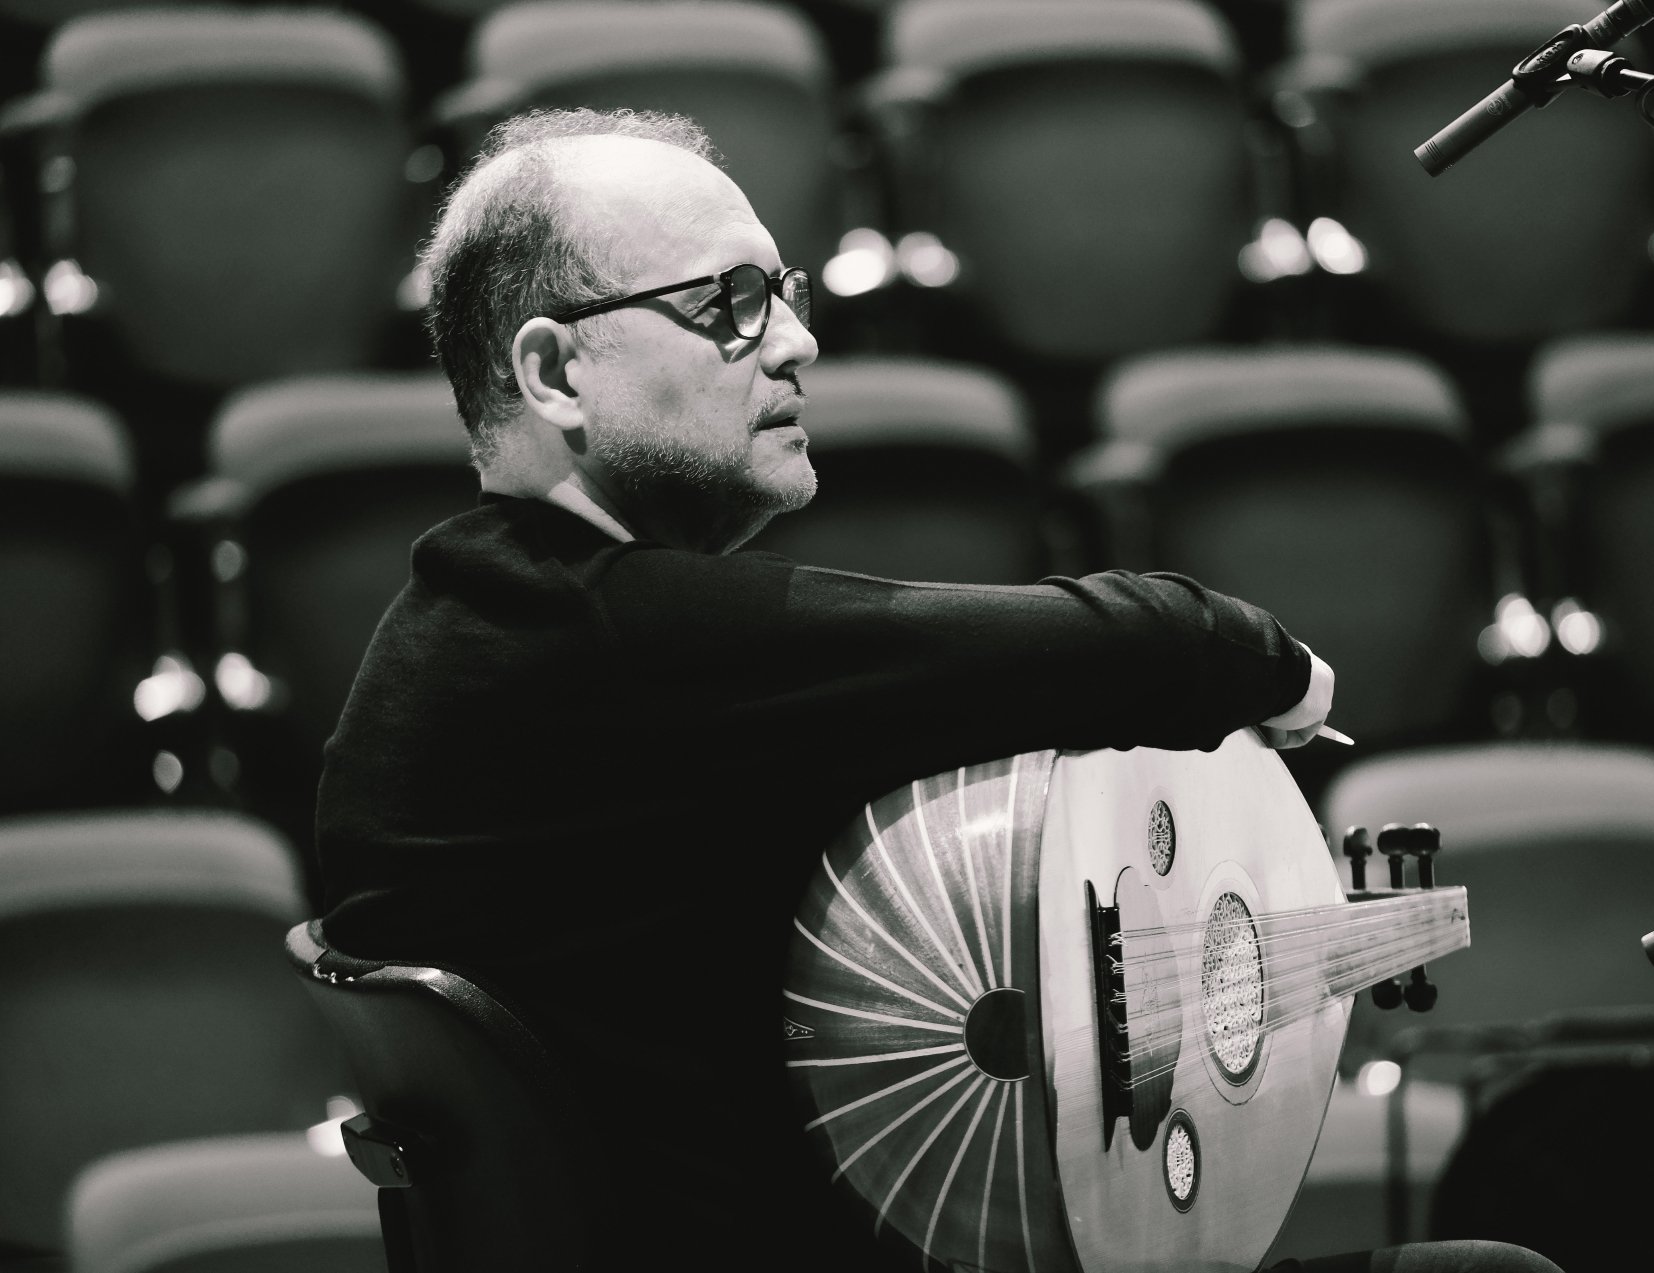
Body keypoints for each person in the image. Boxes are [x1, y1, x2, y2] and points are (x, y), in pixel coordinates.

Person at [315, 107, 1557, 1273]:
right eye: (729, 304)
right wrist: (1279, 671)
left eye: (784, 293)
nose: (797, 339)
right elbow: (1156, 644)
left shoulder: (470, 634)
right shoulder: (602, 640)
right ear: (554, 372)